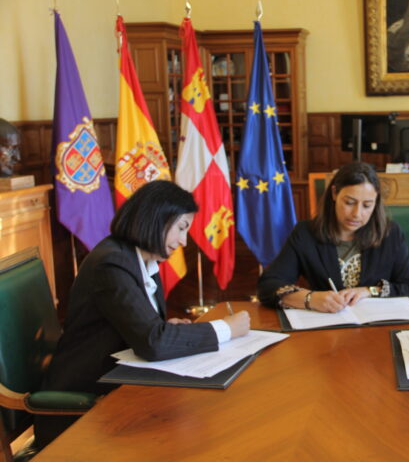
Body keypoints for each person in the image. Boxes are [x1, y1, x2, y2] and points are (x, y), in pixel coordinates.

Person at [35, 180, 251, 448]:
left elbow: (144, 328)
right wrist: (226, 328)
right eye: (182, 228)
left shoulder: (141, 258)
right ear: (156, 219)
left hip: (118, 387)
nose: (184, 241)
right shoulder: (111, 262)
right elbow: (153, 342)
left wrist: (164, 326)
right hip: (81, 405)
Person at [258, 162, 409, 312]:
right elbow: (268, 286)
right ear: (334, 193)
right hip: (327, 326)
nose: (357, 214)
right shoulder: (305, 233)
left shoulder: (390, 233)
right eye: (349, 202)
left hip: (377, 326)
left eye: (367, 205)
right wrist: (310, 298)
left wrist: (370, 291)